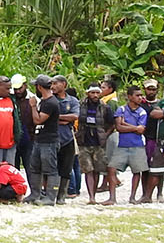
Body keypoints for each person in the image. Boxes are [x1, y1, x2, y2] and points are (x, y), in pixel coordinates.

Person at [107, 86, 150, 205]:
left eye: (141, 95)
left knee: (137, 171)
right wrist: (135, 127)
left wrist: (126, 124)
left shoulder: (142, 111)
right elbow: (119, 127)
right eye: (137, 95)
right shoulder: (121, 109)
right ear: (129, 96)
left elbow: (141, 131)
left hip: (137, 145)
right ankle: (112, 197)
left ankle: (132, 197)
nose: (140, 98)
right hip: (122, 145)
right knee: (111, 168)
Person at [26, 75, 62, 205]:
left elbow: (38, 120)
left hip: (49, 141)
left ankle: (51, 197)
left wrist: (33, 107)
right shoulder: (45, 101)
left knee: (50, 169)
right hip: (39, 139)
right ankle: (35, 194)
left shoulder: (50, 103)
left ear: (39, 87)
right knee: (35, 167)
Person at [77, 84, 112, 203]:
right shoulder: (80, 105)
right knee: (88, 170)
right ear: (88, 93)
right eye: (92, 93)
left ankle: (94, 195)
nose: (95, 95)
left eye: (97, 92)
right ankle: (91, 196)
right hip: (84, 140)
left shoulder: (105, 107)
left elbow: (111, 123)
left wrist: (105, 135)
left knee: (97, 169)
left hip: (99, 142)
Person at [50, 75, 79, 203]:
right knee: (52, 168)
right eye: (52, 84)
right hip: (52, 138)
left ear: (64, 84)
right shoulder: (50, 99)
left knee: (66, 168)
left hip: (68, 138)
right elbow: (48, 116)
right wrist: (63, 118)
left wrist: (58, 117)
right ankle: (52, 194)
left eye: (56, 83)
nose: (53, 86)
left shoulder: (72, 100)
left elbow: (75, 116)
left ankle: (62, 195)